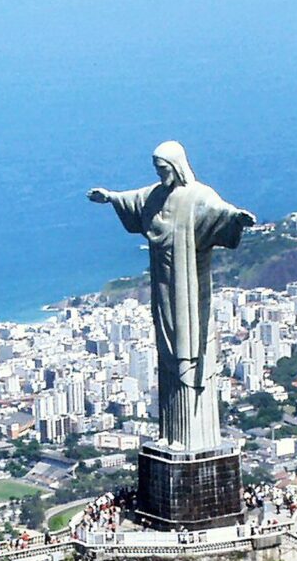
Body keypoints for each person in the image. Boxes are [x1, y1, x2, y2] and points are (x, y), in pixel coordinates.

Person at [88, 141, 255, 453]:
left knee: (187, 348)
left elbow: (219, 212)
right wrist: (109, 197)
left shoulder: (197, 195)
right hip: (163, 287)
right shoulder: (155, 195)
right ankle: (171, 433)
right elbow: (133, 201)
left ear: (177, 166)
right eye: (157, 169)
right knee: (167, 355)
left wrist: (236, 219)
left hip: (188, 287)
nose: (160, 174)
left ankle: (193, 435)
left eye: (163, 168)